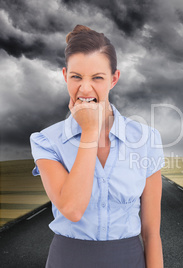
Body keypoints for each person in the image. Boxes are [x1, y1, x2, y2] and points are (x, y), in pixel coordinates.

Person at [29, 25, 165, 268]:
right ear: (64, 76)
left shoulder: (146, 139)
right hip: (67, 260)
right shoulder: (47, 141)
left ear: (114, 79)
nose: (85, 88)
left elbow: (151, 232)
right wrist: (90, 132)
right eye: (76, 77)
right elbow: (72, 209)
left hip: (129, 259)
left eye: (97, 78)